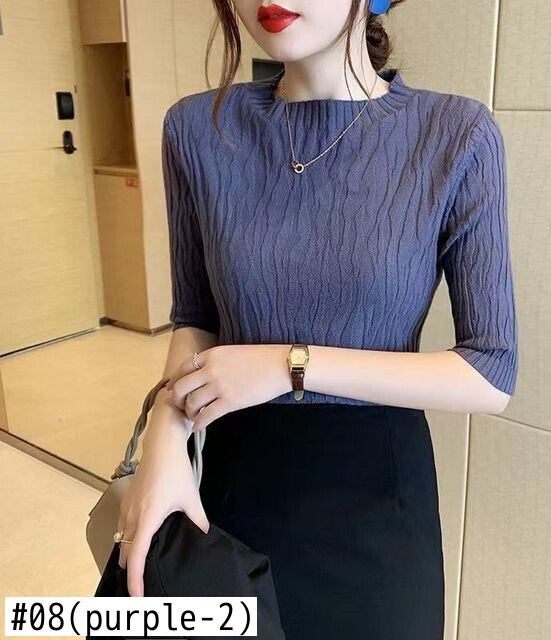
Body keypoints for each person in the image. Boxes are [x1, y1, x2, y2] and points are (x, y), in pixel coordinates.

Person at [114, 0, 518, 638]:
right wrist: (165, 435)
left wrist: (290, 366)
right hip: (232, 489)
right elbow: (196, 316)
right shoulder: (196, 129)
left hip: (375, 507)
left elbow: (490, 373)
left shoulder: (454, 134)